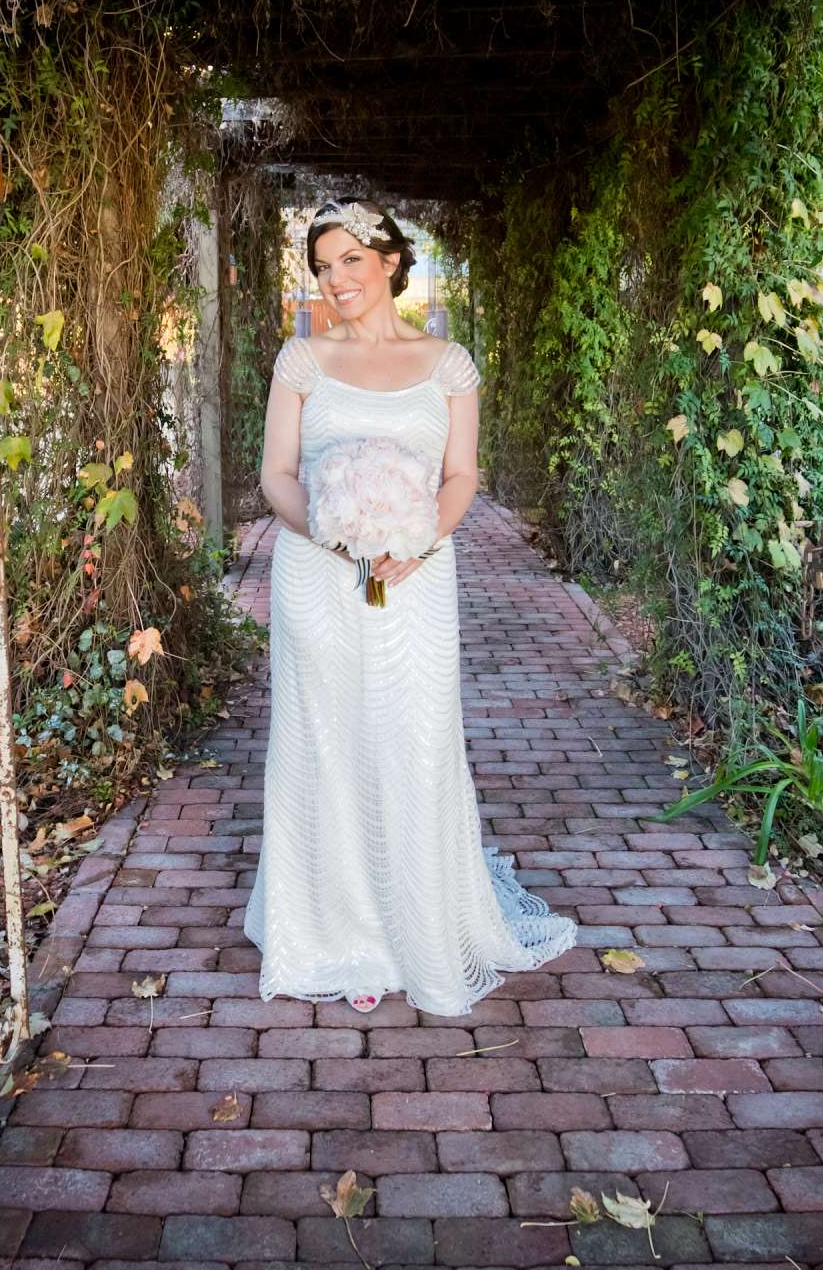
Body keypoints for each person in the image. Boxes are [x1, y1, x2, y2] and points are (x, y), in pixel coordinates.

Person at [242, 199, 577, 1016]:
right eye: (322, 266)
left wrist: (421, 539)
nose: (335, 279)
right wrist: (330, 529)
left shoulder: (449, 363)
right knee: (328, 740)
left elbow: (460, 476)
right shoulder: (301, 361)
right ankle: (339, 935)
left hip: (419, 574)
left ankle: (419, 920)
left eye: (350, 260)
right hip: (319, 574)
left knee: (414, 737)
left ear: (389, 261)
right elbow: (276, 476)